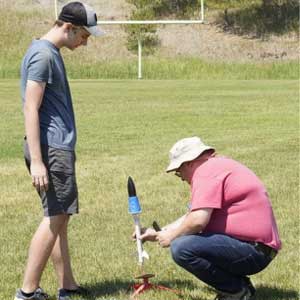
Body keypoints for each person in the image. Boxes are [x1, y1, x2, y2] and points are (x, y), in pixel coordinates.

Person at [16, 2, 104, 300]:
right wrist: (38, 161)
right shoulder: (42, 55)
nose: (85, 42)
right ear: (69, 27)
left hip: (54, 148)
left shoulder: (47, 51)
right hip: (51, 150)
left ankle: (67, 284)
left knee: (59, 217)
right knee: (55, 218)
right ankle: (27, 292)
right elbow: (31, 106)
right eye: (84, 36)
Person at [139, 136, 281, 300]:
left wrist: (171, 236)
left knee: (181, 247)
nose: (182, 178)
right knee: (185, 242)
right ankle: (239, 287)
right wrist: (159, 233)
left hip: (253, 250)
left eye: (179, 172)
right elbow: (191, 215)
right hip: (258, 248)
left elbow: (198, 220)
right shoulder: (215, 167)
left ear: (189, 163)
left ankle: (237, 291)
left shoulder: (205, 172)